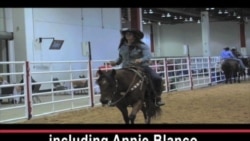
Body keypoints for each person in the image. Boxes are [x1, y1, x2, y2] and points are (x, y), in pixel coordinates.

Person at [109, 28, 165, 106]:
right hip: (126, 68)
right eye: (126, 34)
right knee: (111, 78)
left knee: (157, 78)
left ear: (134, 36)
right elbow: (121, 58)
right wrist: (115, 62)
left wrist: (141, 59)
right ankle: (114, 98)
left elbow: (148, 56)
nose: (127, 35)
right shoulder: (122, 47)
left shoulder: (142, 46)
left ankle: (157, 97)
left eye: (130, 34)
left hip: (141, 67)